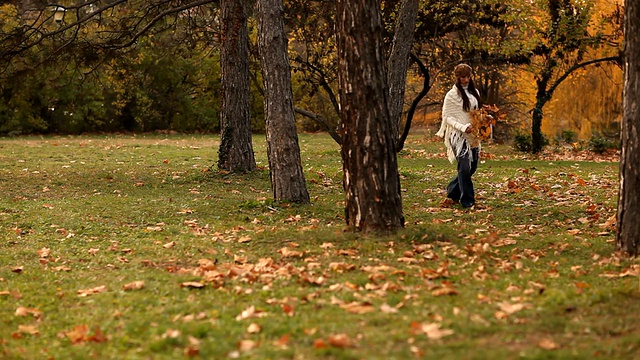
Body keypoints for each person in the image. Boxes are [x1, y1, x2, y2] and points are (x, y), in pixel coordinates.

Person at [436, 63, 482, 209]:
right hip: (457, 135)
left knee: (472, 166)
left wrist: (485, 118)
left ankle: (452, 189)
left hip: (472, 135)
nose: (466, 80)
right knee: (464, 167)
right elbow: (447, 117)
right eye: (463, 77)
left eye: (468, 76)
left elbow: (476, 112)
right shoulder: (451, 95)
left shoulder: (475, 92)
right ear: (457, 78)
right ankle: (468, 201)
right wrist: (462, 127)